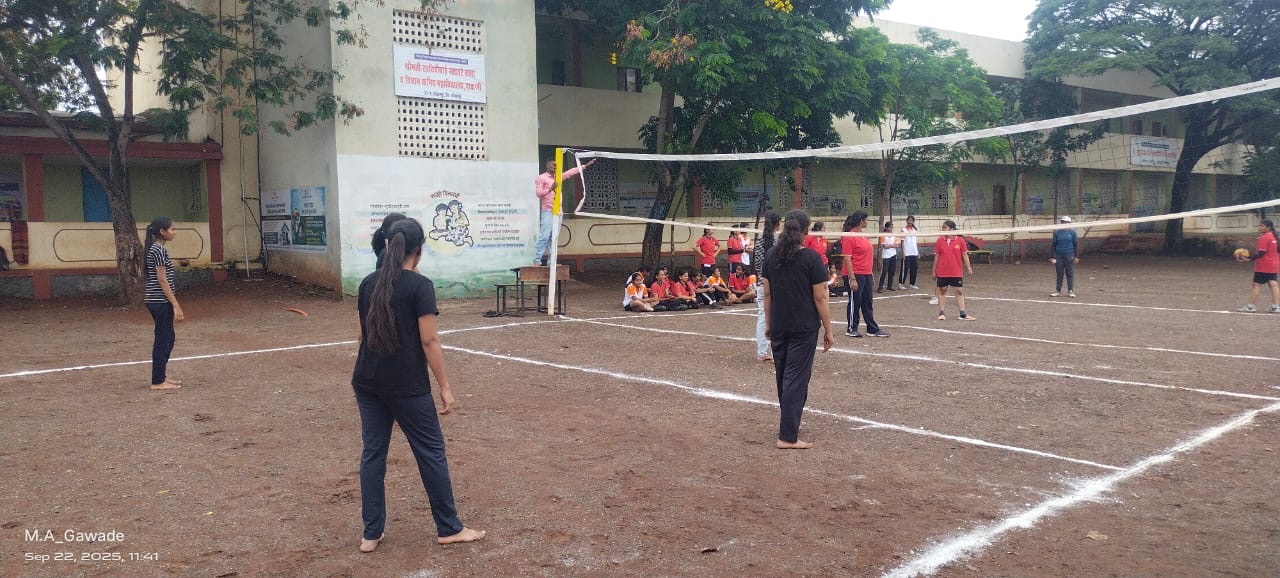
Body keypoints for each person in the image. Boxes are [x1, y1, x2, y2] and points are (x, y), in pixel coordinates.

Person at [351, 218, 485, 552]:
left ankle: (371, 533)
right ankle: (449, 527)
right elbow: (429, 341)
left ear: (387, 246)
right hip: (406, 385)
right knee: (431, 452)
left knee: (373, 454)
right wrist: (445, 386)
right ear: (420, 250)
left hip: (368, 382)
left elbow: (361, 336)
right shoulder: (419, 286)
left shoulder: (368, 283)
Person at [762, 209, 835, 450]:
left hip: (780, 324)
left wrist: (769, 324)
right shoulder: (811, 258)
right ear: (805, 230)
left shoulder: (771, 256)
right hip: (803, 327)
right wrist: (829, 329)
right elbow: (820, 297)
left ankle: (789, 424)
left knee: (784, 377)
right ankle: (787, 436)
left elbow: (767, 295)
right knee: (795, 379)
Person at [144, 217, 184, 391]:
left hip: (158, 301)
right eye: (172, 229)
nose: (175, 232)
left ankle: (161, 376)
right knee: (163, 340)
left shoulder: (157, 249)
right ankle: (158, 381)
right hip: (160, 301)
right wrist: (176, 304)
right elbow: (162, 279)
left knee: (168, 338)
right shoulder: (158, 250)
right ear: (162, 231)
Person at [534, 158, 596, 265]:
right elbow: (538, 194)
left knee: (554, 238)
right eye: (553, 165)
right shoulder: (541, 178)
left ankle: (551, 262)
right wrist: (550, 189)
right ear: (547, 166)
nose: (555, 166)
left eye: (556, 165)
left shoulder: (558, 177)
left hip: (559, 211)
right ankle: (537, 261)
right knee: (544, 236)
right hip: (548, 210)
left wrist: (585, 166)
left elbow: (570, 172)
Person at [839, 211, 889, 338]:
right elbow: (847, 259)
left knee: (867, 301)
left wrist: (870, 274)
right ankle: (852, 328)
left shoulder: (863, 236)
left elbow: (867, 256)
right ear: (861, 221)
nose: (867, 222)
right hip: (855, 273)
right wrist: (852, 279)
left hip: (865, 273)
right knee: (855, 301)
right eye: (866, 220)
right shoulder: (849, 236)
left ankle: (872, 328)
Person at [753, 210, 782, 362]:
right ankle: (774, 351)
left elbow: (758, 266)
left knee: (763, 317)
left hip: (762, 283)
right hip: (775, 283)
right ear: (777, 224)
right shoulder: (779, 243)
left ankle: (762, 351)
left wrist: (763, 278)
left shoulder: (759, 243)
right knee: (776, 317)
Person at [933, 219, 975, 321]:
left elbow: (964, 255)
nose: (943, 229)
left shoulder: (960, 240)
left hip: (956, 271)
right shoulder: (940, 241)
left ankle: (962, 313)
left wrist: (968, 267)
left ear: (951, 229)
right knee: (943, 290)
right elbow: (937, 257)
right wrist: (934, 271)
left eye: (945, 227)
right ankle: (941, 312)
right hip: (942, 271)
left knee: (959, 291)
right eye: (943, 227)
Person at [1236, 219, 1280, 313]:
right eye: (1259, 225)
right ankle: (1275, 307)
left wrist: (1249, 259)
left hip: (1264, 265)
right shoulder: (1274, 236)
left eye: (1261, 226)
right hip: (1274, 264)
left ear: (1268, 227)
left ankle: (1251, 307)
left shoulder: (1264, 238)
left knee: (1256, 285)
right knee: (1273, 284)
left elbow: (1261, 253)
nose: (1259, 227)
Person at [1050, 216, 1079, 298]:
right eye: (1062, 222)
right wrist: (1052, 257)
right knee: (1059, 273)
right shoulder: (1057, 233)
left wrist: (1076, 256)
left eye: (1065, 222)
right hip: (1058, 255)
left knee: (1069, 273)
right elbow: (1053, 245)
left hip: (1069, 255)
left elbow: (1075, 245)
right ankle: (1058, 291)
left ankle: (1070, 291)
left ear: (1069, 223)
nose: (1063, 223)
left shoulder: (1073, 233)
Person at [897, 215, 920, 290]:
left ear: (913, 222)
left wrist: (917, 252)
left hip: (914, 252)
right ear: (907, 221)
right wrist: (903, 253)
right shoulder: (903, 230)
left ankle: (912, 284)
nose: (910, 222)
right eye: (909, 220)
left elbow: (915, 242)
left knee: (914, 269)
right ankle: (901, 283)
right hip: (906, 252)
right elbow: (902, 243)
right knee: (905, 269)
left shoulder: (914, 230)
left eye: (911, 220)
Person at [876, 221, 900, 293]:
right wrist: (892, 245)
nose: (891, 228)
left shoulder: (894, 235)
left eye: (892, 227)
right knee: (884, 271)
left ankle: (889, 286)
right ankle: (880, 287)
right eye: (890, 227)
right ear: (886, 228)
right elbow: (885, 246)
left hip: (893, 254)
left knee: (892, 271)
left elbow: (897, 245)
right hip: (886, 256)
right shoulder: (883, 235)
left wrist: (890, 245)